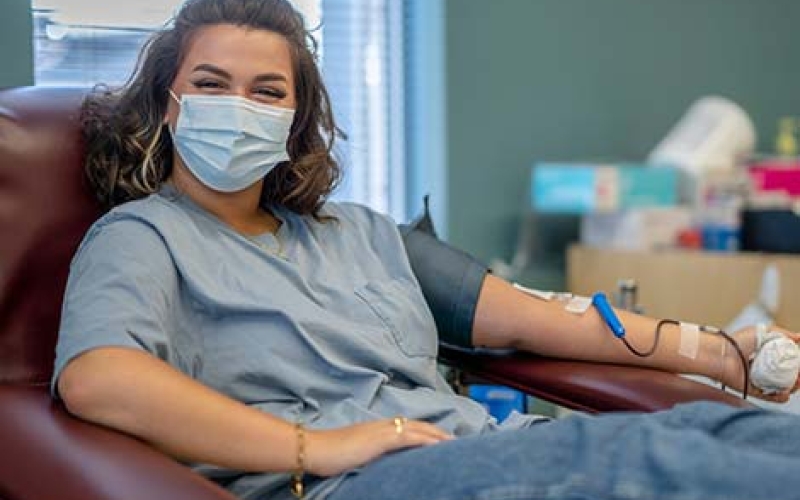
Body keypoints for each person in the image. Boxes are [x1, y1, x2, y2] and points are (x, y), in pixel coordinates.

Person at [53, 0, 800, 499]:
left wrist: (720, 351)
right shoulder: (142, 237)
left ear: (297, 114)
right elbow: (99, 379)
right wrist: (315, 447)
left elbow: (536, 318)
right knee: (651, 465)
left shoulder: (357, 232)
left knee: (719, 430)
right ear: (168, 102)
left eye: (268, 91)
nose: (240, 107)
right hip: (364, 482)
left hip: (483, 449)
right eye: (212, 84)